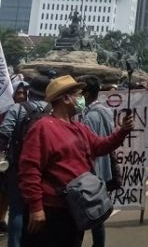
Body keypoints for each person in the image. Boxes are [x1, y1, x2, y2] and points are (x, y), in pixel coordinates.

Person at [19, 75, 133, 247]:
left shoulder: (78, 127)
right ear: (65, 98)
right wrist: (36, 208)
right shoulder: (43, 127)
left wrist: (122, 131)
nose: (82, 99)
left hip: (74, 207)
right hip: (51, 209)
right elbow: (29, 170)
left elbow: (100, 147)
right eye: (78, 94)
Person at [0, 75, 50, 247]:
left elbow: (4, 134)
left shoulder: (17, 109)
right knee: (43, 209)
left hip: (19, 168)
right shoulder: (52, 110)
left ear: (30, 91)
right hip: (46, 169)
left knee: (17, 211)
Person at [78, 75, 116, 247]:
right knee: (97, 211)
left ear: (85, 94)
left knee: (87, 210)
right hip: (103, 167)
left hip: (93, 170)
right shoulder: (105, 110)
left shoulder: (91, 117)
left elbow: (88, 146)